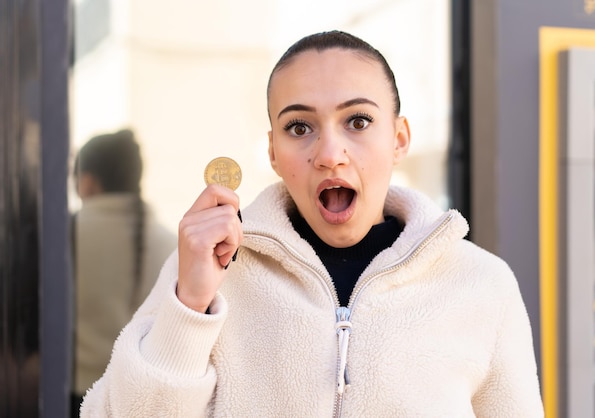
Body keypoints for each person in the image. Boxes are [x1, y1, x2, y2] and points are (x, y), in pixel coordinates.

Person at [80, 31, 544, 417]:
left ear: (399, 139)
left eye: (358, 121)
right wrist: (190, 305)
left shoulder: (483, 285)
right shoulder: (214, 272)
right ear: (273, 152)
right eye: (299, 128)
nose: (328, 154)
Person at [70, 129, 177, 417]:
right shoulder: (173, 243)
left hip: (76, 397)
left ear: (88, 182)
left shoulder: (65, 234)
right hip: (146, 401)